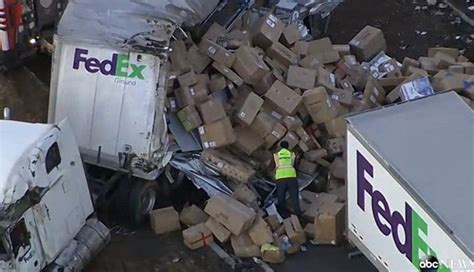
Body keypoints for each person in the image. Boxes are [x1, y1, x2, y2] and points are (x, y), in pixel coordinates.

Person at [274, 140, 301, 217]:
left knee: (281, 196)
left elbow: (276, 165)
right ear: (288, 146)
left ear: (280, 146)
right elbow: (293, 164)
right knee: (294, 196)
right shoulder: (292, 154)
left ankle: (282, 214)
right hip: (291, 176)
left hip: (280, 177)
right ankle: (298, 214)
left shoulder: (276, 155)